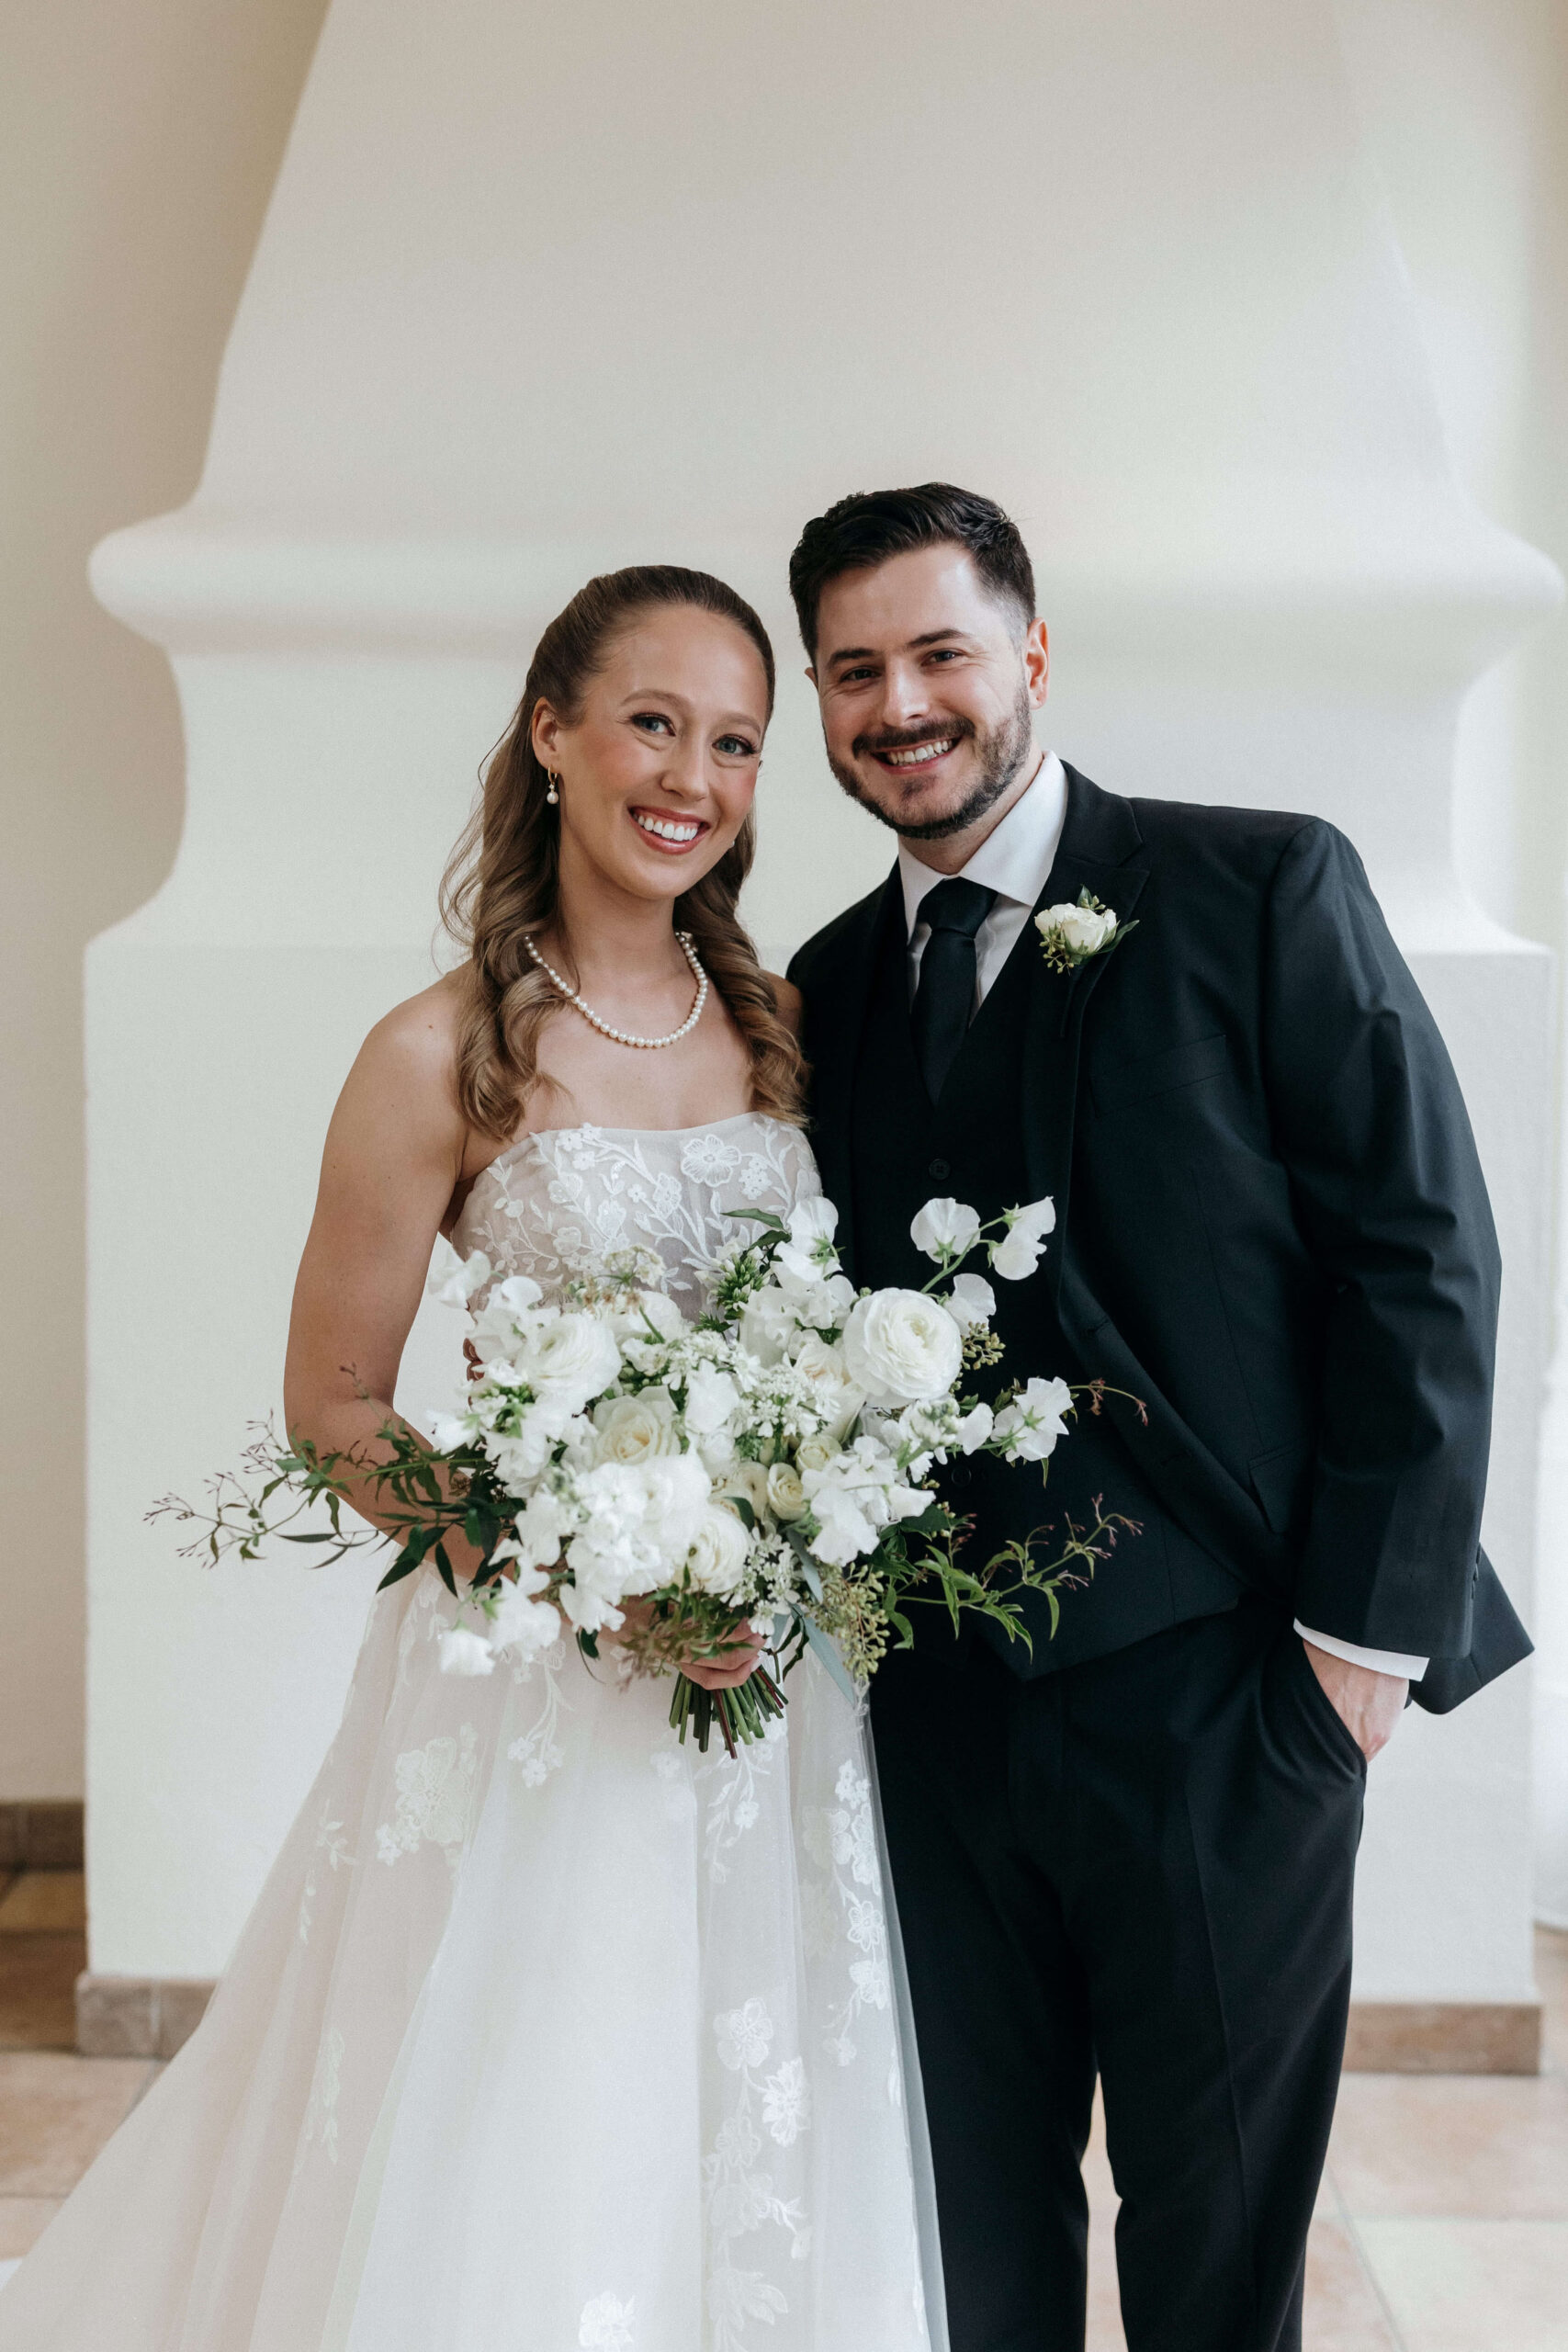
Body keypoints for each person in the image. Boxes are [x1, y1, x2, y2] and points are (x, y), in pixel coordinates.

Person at [0, 566, 938, 2352]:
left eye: (736, 739)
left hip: (772, 1679)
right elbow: (336, 1404)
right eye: (653, 719)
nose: (695, 775)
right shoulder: (432, 1054)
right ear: (551, 732)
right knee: (537, 2095)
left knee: (747, 2087)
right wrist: (589, 1565)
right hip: (538, 1683)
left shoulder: (791, 1033)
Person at [784, 483, 1532, 2352]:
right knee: (964, 2221)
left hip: (1227, 1691)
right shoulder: (816, 988)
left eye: (937, 652)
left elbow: (1421, 1256)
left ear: (1027, 653)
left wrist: (1352, 1656)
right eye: (851, 669)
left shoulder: (1258, 883)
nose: (900, 703)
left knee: (1210, 2241)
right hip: (936, 1711)